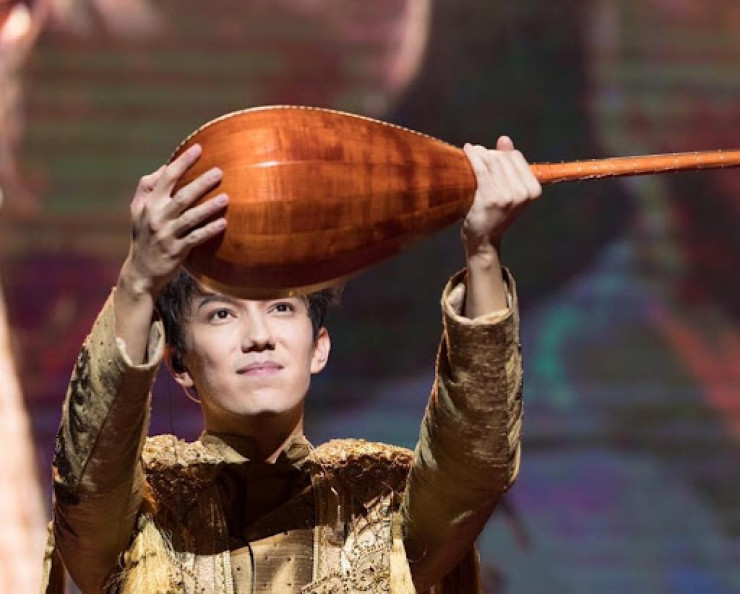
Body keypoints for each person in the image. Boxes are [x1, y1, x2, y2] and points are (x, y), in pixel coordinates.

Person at [42, 135, 541, 593]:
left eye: (282, 308)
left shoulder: (381, 503)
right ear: (178, 364)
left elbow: (475, 463)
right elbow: (87, 483)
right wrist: (138, 280)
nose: (259, 337)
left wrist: (483, 253)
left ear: (318, 347)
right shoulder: (145, 512)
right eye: (221, 314)